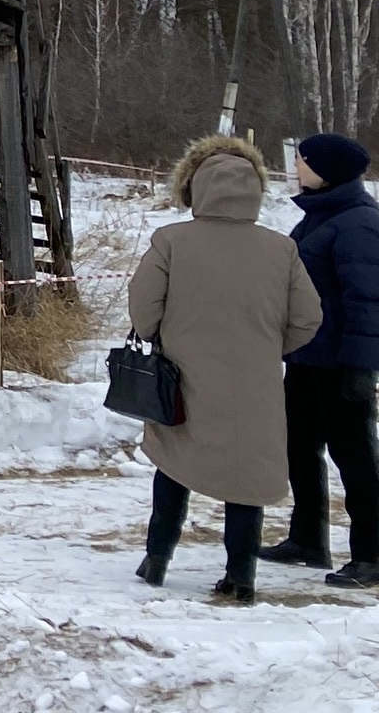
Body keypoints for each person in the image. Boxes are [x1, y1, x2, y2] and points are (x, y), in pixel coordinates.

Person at [126, 134, 322, 603]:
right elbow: (307, 318)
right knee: (245, 479)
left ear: (194, 188)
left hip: (182, 379)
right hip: (255, 386)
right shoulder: (281, 249)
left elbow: (143, 308)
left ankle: (157, 559)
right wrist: (268, 349)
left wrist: (160, 338)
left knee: (174, 465)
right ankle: (242, 576)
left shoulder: (171, 240)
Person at [266, 132, 379, 585]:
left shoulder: (359, 223)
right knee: (298, 445)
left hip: (341, 362)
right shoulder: (319, 215)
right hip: (307, 356)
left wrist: (361, 366)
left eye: (302, 160)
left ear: (325, 169)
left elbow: (368, 301)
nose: (296, 167)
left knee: (354, 456)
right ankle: (308, 539)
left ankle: (371, 554)